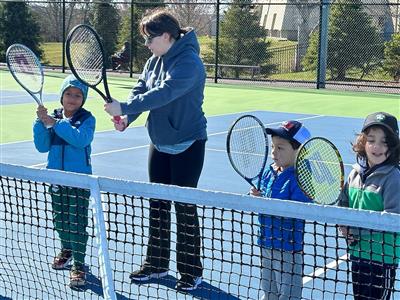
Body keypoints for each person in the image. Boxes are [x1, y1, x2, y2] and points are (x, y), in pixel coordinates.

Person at [104, 9, 207, 291]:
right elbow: (141, 91)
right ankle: (157, 264)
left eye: (150, 39)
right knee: (157, 205)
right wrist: (127, 117)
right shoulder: (152, 61)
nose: (147, 45)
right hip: (159, 142)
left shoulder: (190, 64)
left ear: (165, 35)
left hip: (189, 143)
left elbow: (163, 93)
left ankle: (190, 271)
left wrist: (123, 107)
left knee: (184, 208)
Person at [33, 75, 95, 288]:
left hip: (78, 182)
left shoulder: (88, 119)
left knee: (77, 224)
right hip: (56, 180)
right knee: (60, 222)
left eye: (78, 95)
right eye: (68, 94)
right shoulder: (53, 118)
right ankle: (67, 249)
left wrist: (55, 123)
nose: (72, 98)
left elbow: (81, 140)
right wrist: (41, 123)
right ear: (61, 96)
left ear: (83, 99)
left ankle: (79, 265)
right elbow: (42, 147)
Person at [338, 112, 400, 300]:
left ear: (394, 145)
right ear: (363, 143)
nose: (377, 147)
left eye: (384, 141)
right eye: (371, 140)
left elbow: (391, 220)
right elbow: (344, 203)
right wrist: (343, 226)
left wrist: (355, 229)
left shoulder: (394, 178)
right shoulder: (354, 175)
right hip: (358, 254)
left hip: (383, 258)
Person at [249, 120, 312, 300]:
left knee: (288, 296)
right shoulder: (269, 172)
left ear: (299, 151)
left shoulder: (302, 177)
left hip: (288, 249)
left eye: (281, 148)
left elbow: (296, 210)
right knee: (269, 292)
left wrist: (267, 203)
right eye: (273, 147)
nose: (274, 153)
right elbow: (259, 193)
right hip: (265, 243)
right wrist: (255, 194)